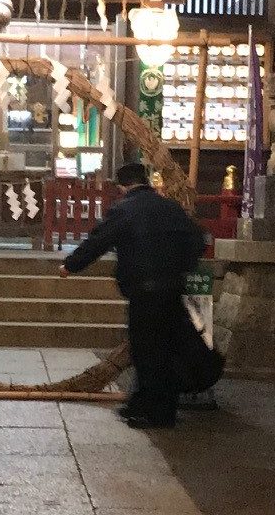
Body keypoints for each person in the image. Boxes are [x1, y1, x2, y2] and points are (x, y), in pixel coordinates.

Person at [59, 163, 205, 428]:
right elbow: (197, 240)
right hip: (172, 288)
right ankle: (142, 403)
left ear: (122, 186)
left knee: (147, 351)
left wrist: (71, 265)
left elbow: (98, 241)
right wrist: (180, 267)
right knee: (162, 348)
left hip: (144, 290)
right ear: (145, 181)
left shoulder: (125, 210)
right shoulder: (171, 208)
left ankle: (157, 413)